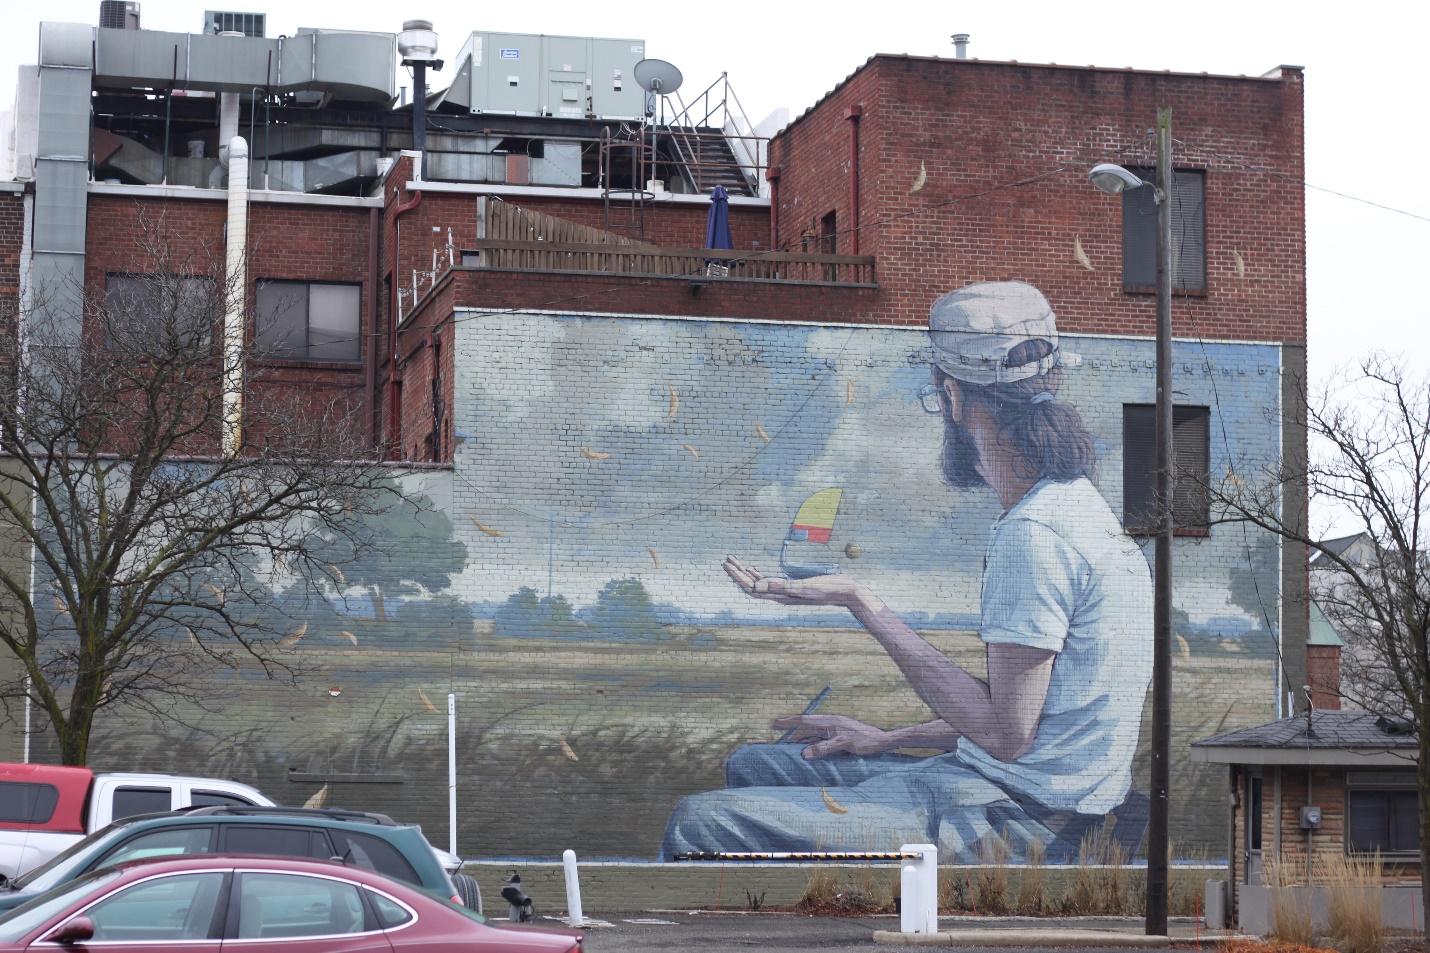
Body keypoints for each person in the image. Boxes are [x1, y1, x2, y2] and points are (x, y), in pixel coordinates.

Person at [660, 281, 1154, 862]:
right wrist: (887, 739)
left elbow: (1007, 735)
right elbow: (1042, 716)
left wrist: (860, 602)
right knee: (754, 764)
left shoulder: (1034, 534)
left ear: (952, 397)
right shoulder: (1080, 510)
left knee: (699, 823)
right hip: (1005, 785)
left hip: (1021, 819)